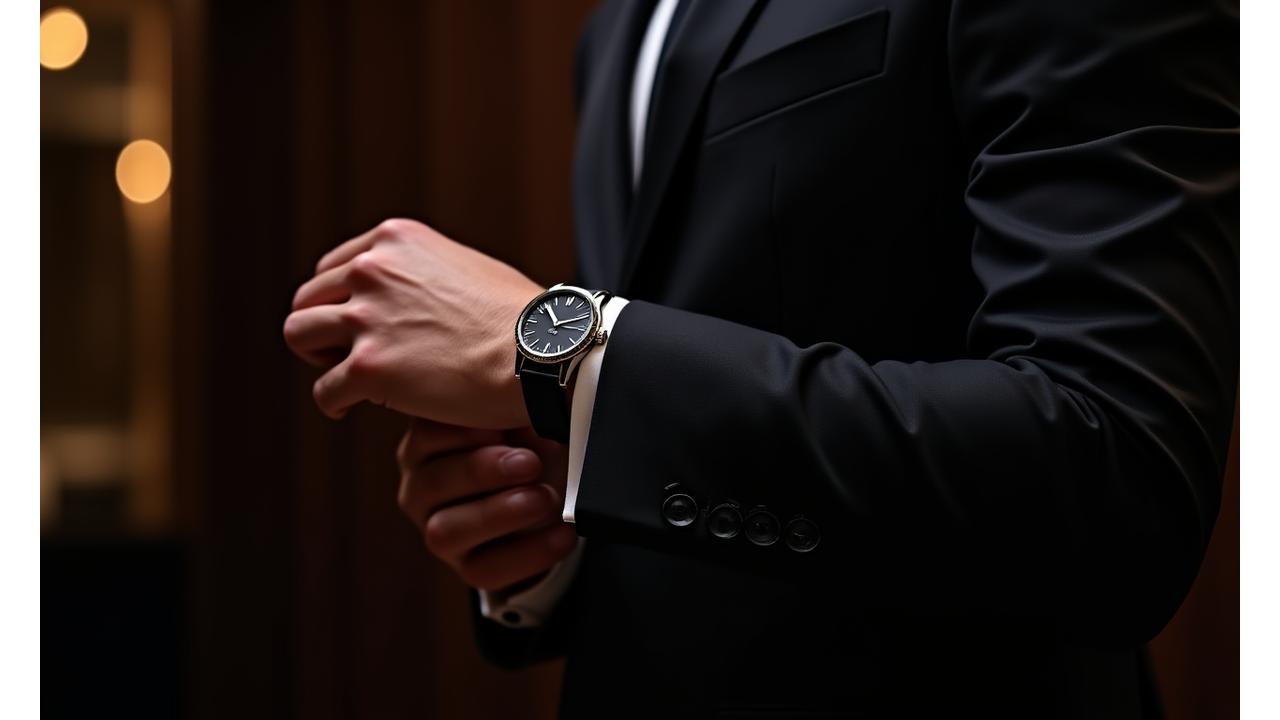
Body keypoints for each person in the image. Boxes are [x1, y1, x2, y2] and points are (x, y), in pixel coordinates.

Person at [284, 0, 1238, 716]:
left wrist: (564, 354)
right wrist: (543, 522)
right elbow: (677, 404)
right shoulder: (622, 26)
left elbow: (1115, 478)